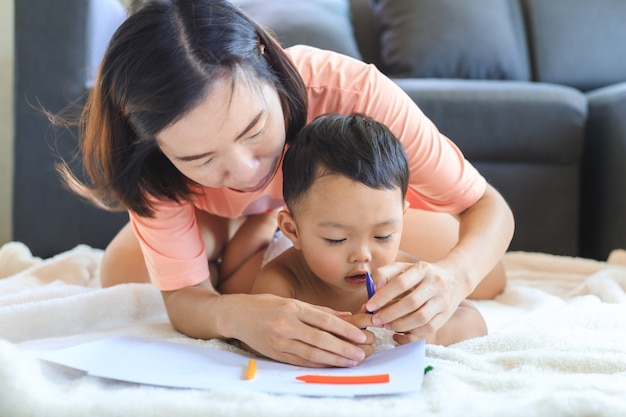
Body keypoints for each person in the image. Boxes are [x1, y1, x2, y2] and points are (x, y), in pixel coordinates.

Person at [58, 0, 514, 367]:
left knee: (487, 274)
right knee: (124, 275)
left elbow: (486, 206)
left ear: (266, 64)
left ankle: (255, 243)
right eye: (200, 159)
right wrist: (233, 315)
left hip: (332, 211)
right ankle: (248, 238)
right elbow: (183, 298)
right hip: (218, 219)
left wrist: (454, 278)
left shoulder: (355, 93)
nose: (244, 173)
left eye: (254, 131)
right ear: (157, 148)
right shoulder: (151, 166)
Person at [252, 113, 488, 346]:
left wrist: (433, 332)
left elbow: (475, 322)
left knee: (493, 280)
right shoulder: (282, 281)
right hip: (263, 243)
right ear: (293, 231)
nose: (363, 254)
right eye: (337, 239)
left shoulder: (404, 279)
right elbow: (257, 337)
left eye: (383, 235)